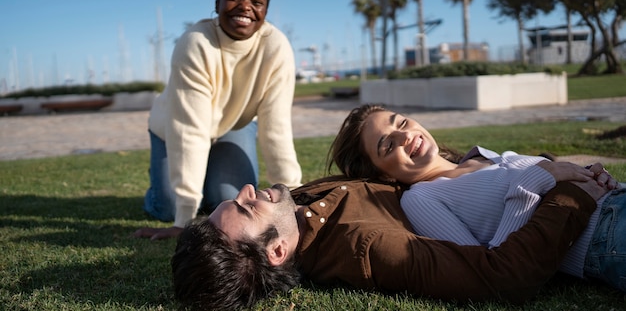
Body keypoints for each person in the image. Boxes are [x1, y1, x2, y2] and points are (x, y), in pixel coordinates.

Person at [171, 170, 609, 310]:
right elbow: (505, 278)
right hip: (606, 231)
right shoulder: (369, 248)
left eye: (238, 198)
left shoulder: (292, 211)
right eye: (248, 207)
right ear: (277, 251)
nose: (248, 191)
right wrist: (571, 193)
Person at [327, 103, 625, 293]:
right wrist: (534, 180)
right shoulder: (421, 198)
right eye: (388, 145)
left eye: (401, 123)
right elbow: (489, 267)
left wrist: (588, 175)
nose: (405, 137)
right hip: (606, 238)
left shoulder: (484, 156)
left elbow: (552, 178)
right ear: (384, 175)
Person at [134, 0, 302, 240]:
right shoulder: (195, 42)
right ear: (217, 3)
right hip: (174, 127)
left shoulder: (277, 47)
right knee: (170, 207)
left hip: (233, 125)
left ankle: (206, 173)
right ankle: (157, 189)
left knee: (227, 199)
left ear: (266, 12)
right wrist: (184, 218)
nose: (245, 7)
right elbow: (190, 131)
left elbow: (277, 128)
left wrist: (293, 197)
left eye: (257, 2)